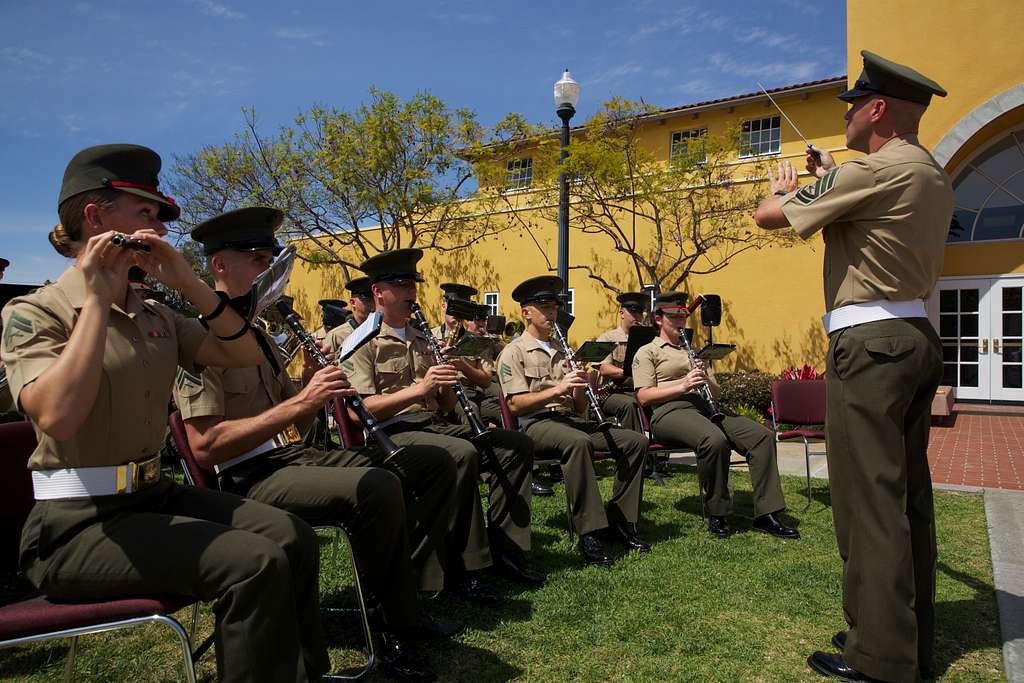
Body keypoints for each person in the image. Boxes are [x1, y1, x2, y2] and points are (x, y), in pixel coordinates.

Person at [0, 144, 329, 682]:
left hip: (150, 495)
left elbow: (243, 352)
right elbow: (57, 417)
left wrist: (186, 282)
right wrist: (98, 301)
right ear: (96, 216)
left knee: (291, 534)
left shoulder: (155, 313)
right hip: (75, 527)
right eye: (146, 214)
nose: (160, 228)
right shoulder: (34, 313)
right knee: (252, 564)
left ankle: (304, 674)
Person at [173, 207, 461, 681]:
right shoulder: (200, 339)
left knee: (427, 463)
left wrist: (312, 383)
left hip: (287, 455)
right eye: (257, 258)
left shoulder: (259, 334)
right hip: (246, 477)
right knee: (376, 487)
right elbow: (206, 448)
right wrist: (299, 402)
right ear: (219, 266)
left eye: (270, 258)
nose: (270, 271)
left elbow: (298, 412)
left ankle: (401, 592)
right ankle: (392, 626)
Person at [753, 51, 952, 683]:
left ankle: (881, 657)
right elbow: (868, 216)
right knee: (907, 499)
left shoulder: (876, 168)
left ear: (877, 110)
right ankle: (905, 636)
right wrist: (834, 177)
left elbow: (769, 216)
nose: (847, 119)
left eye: (853, 108)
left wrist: (787, 187)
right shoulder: (929, 172)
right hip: (914, 335)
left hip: (869, 344)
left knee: (869, 504)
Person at [343, 249, 545, 596]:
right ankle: (468, 566)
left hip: (434, 424)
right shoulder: (360, 341)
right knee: (463, 453)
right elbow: (357, 411)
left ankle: (508, 551)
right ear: (378, 293)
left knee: (514, 445)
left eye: (413, 285)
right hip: (392, 432)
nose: (412, 293)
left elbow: (446, 404)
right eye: (402, 285)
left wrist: (449, 384)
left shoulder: (421, 337)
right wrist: (419, 388)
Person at [497, 275, 650, 566]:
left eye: (554, 307)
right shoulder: (513, 351)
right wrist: (558, 388)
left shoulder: (561, 349)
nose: (551, 313)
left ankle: (620, 520)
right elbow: (515, 405)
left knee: (635, 442)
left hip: (569, 420)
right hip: (536, 423)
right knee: (578, 442)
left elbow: (579, 410)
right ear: (525, 312)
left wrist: (579, 386)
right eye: (544, 307)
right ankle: (589, 531)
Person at [632, 292, 798, 540]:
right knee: (714, 440)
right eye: (674, 317)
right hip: (669, 411)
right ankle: (718, 512)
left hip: (705, 408)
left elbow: (717, 393)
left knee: (761, 436)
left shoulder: (693, 352)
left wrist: (705, 376)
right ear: (659, 319)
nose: (680, 322)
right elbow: (643, 397)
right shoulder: (647, 352)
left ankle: (767, 512)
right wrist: (683, 385)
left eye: (683, 317)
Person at [594, 291, 649, 433]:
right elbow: (603, 368)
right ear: (622, 313)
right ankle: (635, 446)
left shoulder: (648, 339)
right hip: (611, 393)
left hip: (641, 390)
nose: (637, 316)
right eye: (633, 312)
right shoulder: (606, 338)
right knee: (629, 405)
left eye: (640, 312)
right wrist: (625, 372)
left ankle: (660, 447)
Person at [323, 276, 374, 352]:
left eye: (375, 298)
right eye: (368, 299)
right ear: (353, 303)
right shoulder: (337, 336)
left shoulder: (384, 331)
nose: (373, 304)